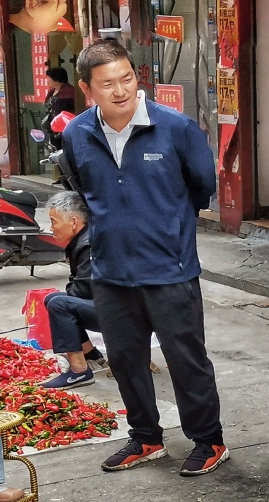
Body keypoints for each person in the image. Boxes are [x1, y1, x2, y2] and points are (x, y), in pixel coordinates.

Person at [61, 39, 227, 477]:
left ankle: (209, 440)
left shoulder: (176, 128)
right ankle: (146, 438)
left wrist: (163, 225)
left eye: (127, 79)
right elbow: (85, 189)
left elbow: (201, 186)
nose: (120, 91)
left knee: (186, 359)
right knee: (124, 360)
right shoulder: (76, 134)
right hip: (111, 270)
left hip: (169, 270)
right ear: (86, 88)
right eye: (107, 84)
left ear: (138, 77)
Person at [40, 190, 106, 389]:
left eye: (54, 221)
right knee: (53, 299)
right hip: (109, 305)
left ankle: (79, 371)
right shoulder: (83, 238)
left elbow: (85, 289)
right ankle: (90, 354)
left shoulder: (89, 244)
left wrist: (65, 299)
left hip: (122, 312)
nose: (51, 228)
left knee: (60, 304)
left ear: (74, 221)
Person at [42, 66, 75, 149]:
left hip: (63, 128)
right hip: (51, 127)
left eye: (49, 78)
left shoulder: (69, 92)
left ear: (56, 79)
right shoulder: (52, 91)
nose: (47, 81)